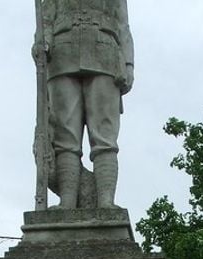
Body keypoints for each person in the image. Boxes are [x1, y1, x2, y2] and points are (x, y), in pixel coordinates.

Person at [38, 0, 134, 209]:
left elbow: (123, 25)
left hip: (105, 57)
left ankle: (106, 203)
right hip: (62, 56)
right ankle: (67, 202)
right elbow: (45, 19)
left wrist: (128, 64)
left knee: (104, 137)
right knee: (65, 137)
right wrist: (42, 41)